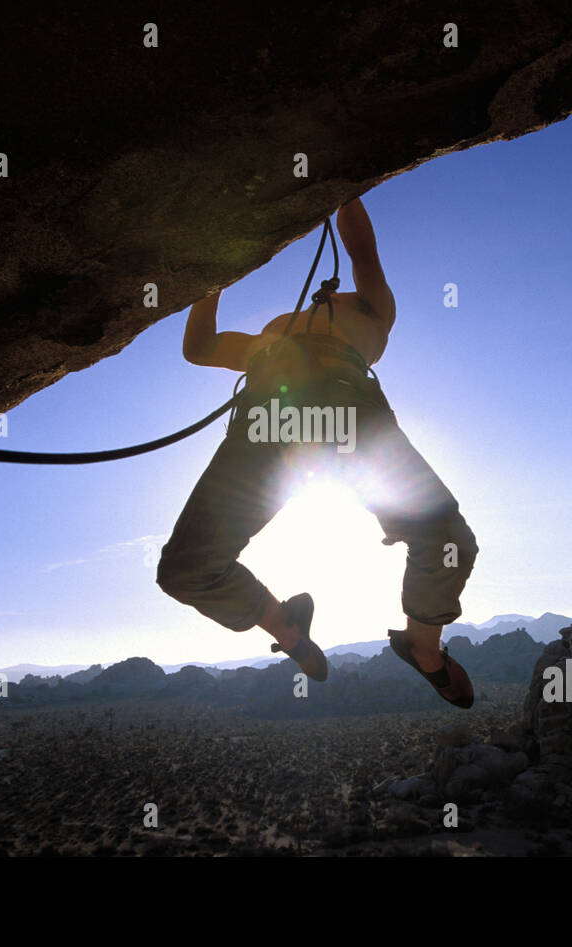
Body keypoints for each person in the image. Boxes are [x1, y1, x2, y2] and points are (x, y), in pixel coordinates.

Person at [156, 197, 477, 708]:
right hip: (279, 417)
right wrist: (213, 274)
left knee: (445, 537)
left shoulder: (373, 313)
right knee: (184, 569)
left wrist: (344, 187)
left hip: (340, 412)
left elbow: (361, 250)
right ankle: (285, 625)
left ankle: (424, 647)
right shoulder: (274, 335)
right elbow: (200, 348)